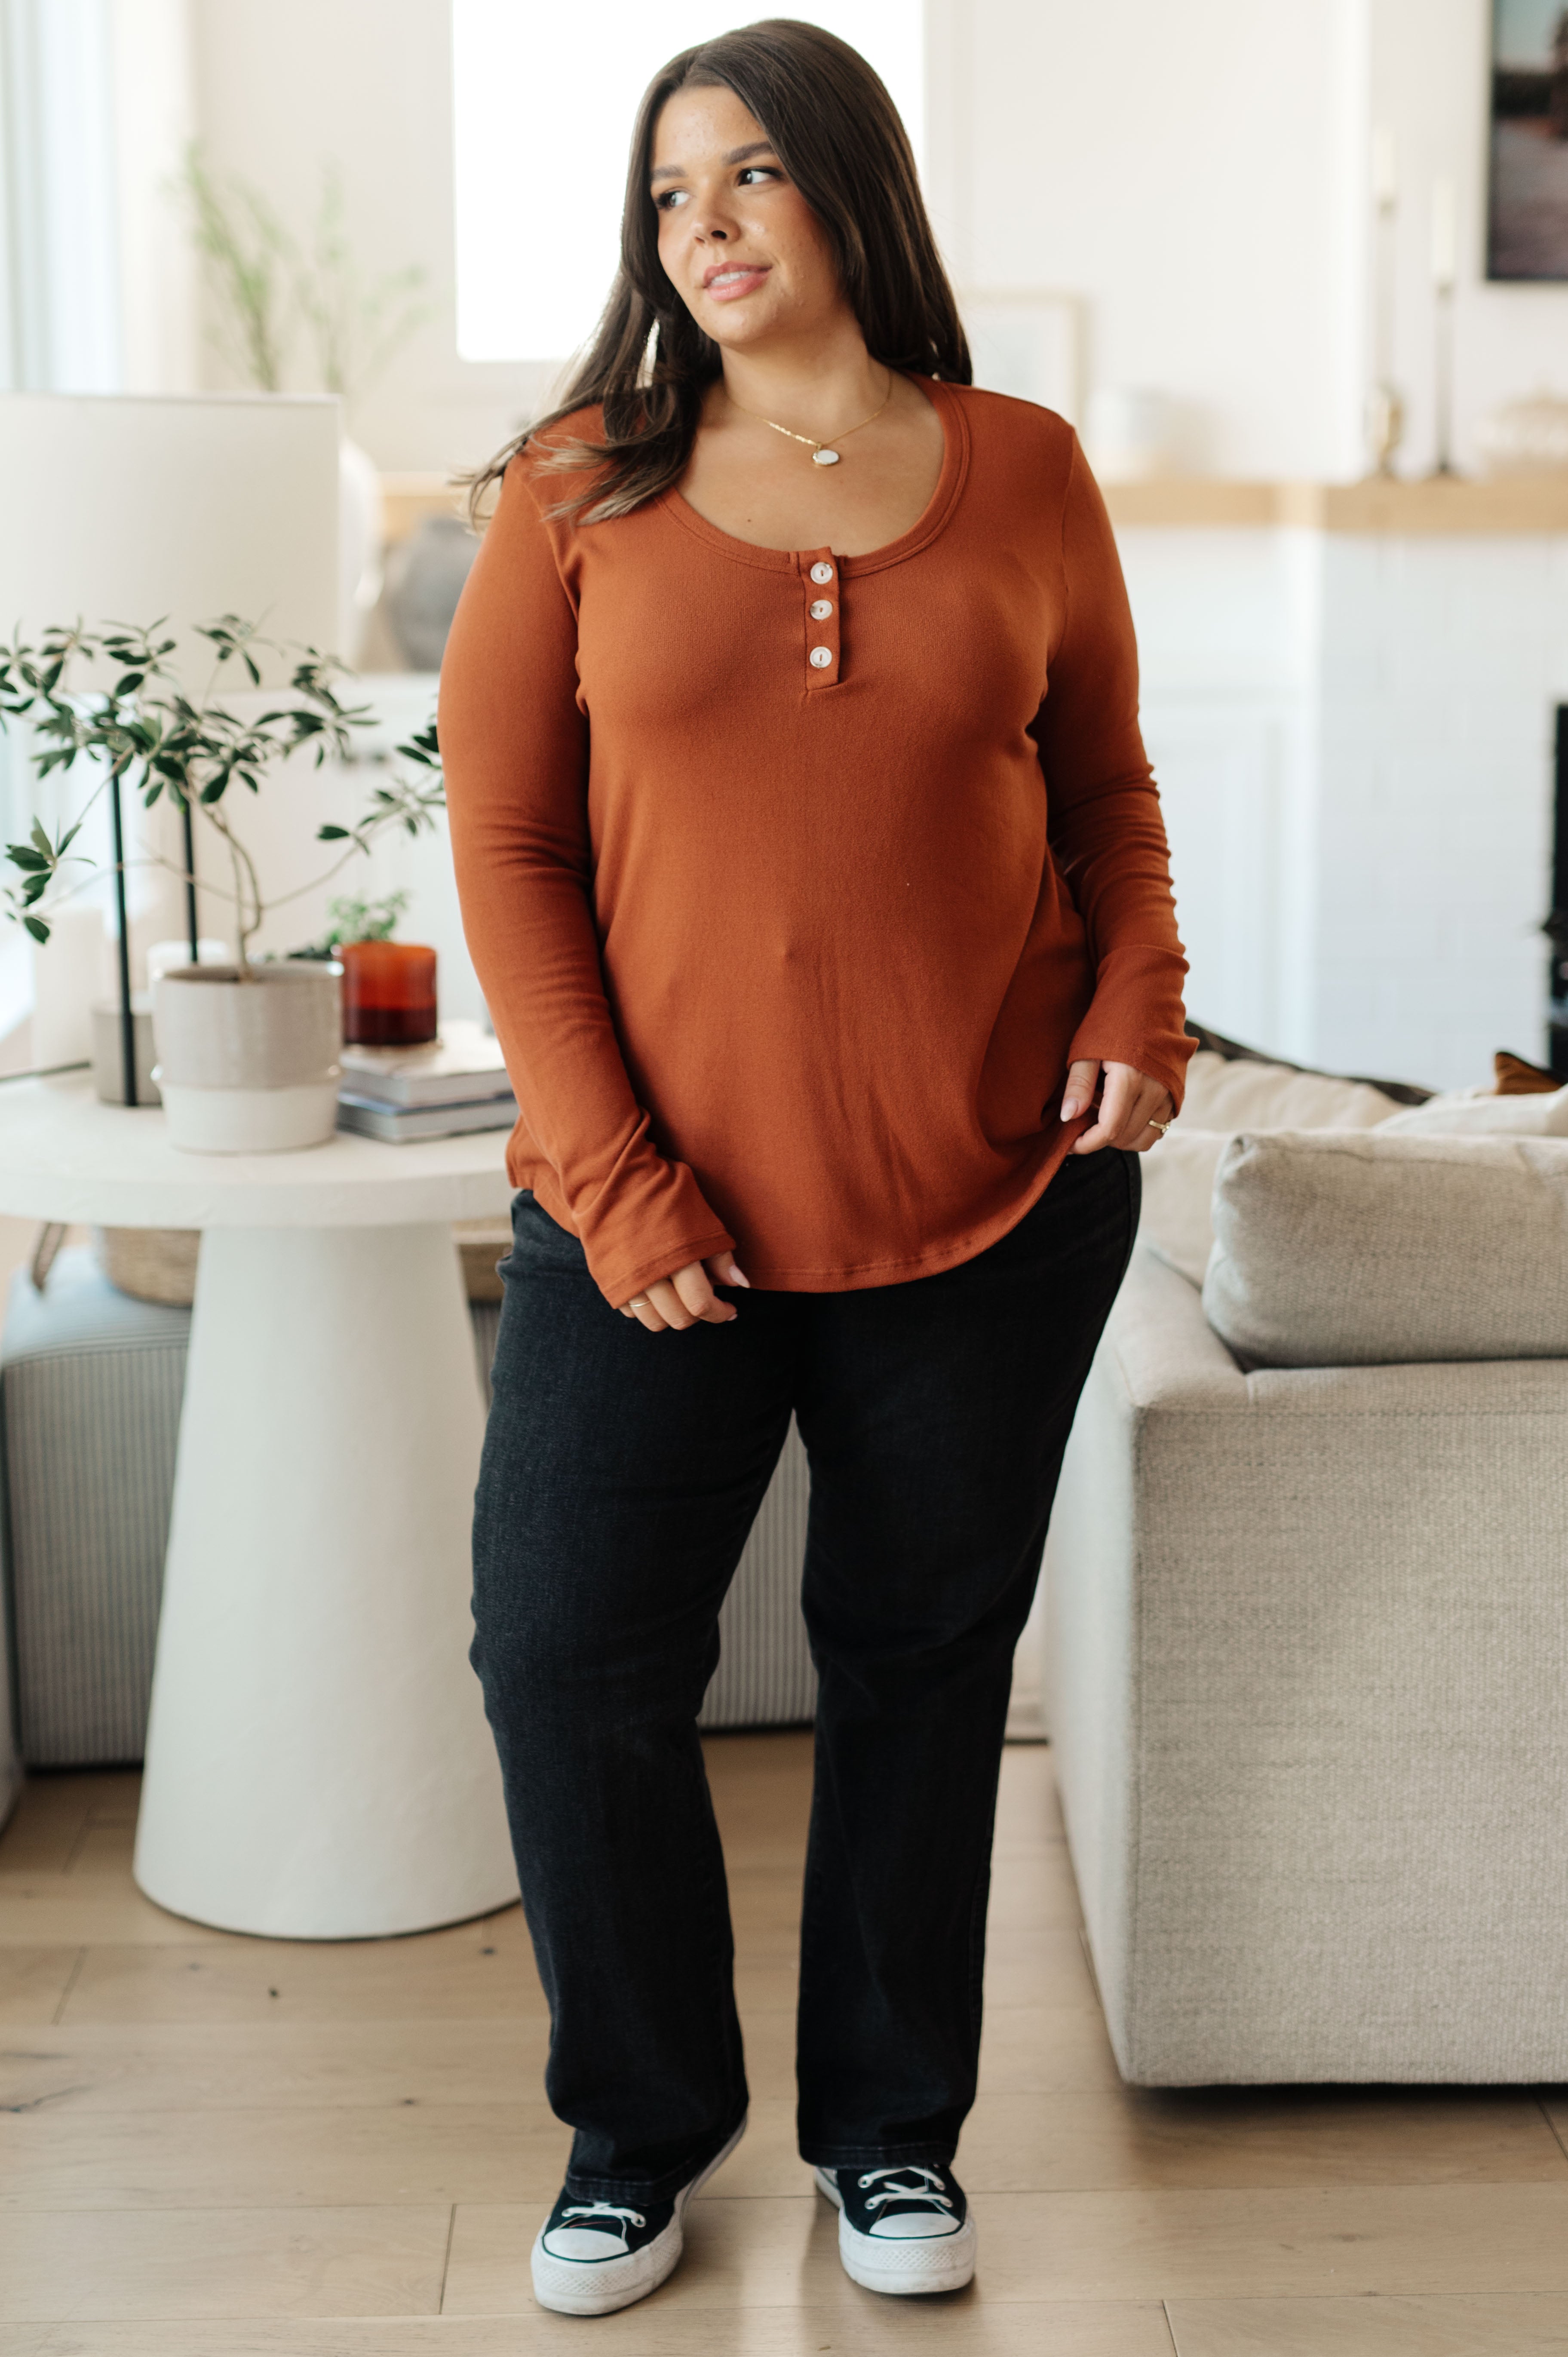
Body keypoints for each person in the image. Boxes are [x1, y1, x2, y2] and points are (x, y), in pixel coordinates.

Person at [440, 16, 1189, 2320]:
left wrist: (1143, 1005)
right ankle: (636, 2133)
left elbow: (1108, 802)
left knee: (922, 1666)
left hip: (990, 1211)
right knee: (565, 1659)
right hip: (645, 1231)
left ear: (855, 189)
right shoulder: (571, 484)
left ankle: (891, 2140)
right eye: (674, 195)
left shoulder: (1029, 469)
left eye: (753, 174)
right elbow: (510, 846)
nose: (712, 226)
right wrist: (618, 1171)